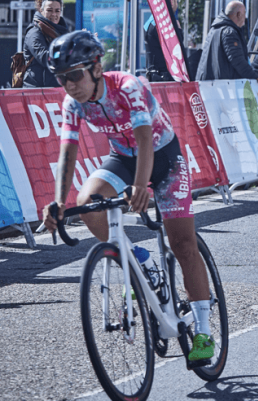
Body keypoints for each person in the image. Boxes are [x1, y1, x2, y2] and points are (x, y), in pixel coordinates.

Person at [41, 31, 216, 366]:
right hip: (123, 158)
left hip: (165, 157)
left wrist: (139, 186)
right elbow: (68, 150)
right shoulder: (73, 102)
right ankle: (139, 258)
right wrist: (59, 202)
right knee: (89, 203)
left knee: (182, 242)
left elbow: (146, 139)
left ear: (95, 67)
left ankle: (204, 331)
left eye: (74, 75)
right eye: (61, 79)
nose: (69, 85)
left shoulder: (127, 86)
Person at [196, 0, 258, 81]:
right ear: (239, 15)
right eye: (244, 14)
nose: (245, 17)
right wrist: (255, 76)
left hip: (211, 83)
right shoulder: (229, 32)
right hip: (223, 86)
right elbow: (237, 60)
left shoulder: (215, 29)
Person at [22, 0, 69, 88]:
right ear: (41, 10)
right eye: (49, 10)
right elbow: (45, 58)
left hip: (55, 89)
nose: (54, 14)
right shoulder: (34, 32)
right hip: (36, 92)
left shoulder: (62, 31)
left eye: (57, 10)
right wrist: (70, 50)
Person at [144, 0, 181, 82]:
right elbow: (176, 48)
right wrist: (179, 30)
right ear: (172, 2)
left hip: (154, 75)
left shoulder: (151, 20)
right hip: (165, 77)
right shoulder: (164, 24)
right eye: (177, 1)